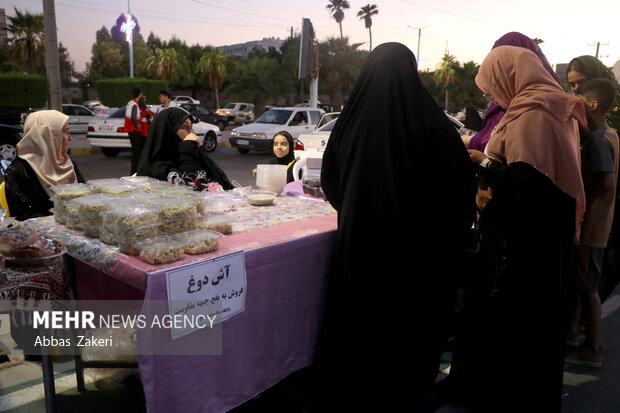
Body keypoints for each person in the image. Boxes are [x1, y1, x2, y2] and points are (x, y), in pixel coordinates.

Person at [317, 42, 477, 411]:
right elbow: (459, 192)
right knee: (409, 345)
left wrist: (359, 210)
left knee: (361, 337)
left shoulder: (349, 124)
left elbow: (330, 182)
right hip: (419, 261)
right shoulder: (433, 123)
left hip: (361, 251)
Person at [464, 45, 586, 412]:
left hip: (530, 242)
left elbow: (527, 184)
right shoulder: (549, 106)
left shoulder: (534, 113)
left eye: (492, 84)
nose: (492, 94)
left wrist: (481, 160)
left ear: (510, 75)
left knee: (523, 326)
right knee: (536, 327)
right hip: (547, 236)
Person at [565, 78, 619, 368]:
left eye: (581, 102)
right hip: (599, 226)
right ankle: (576, 337)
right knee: (585, 284)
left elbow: (606, 183)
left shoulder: (598, 139)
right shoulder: (610, 133)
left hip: (591, 228)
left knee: (588, 288)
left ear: (593, 104)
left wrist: (583, 200)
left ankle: (593, 348)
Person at [4, 110, 85, 221]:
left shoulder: (68, 164)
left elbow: (86, 200)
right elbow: (25, 217)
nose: (70, 138)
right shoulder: (19, 171)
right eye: (66, 131)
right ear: (48, 136)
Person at [136, 107, 233, 190]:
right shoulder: (158, 167)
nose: (190, 133)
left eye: (190, 127)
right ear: (168, 130)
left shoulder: (187, 151)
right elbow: (191, 187)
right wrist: (187, 149)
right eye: (184, 127)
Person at [126, 87, 144, 175]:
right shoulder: (134, 104)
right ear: (140, 94)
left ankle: (134, 170)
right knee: (136, 152)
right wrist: (137, 125)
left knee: (135, 151)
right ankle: (134, 171)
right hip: (134, 130)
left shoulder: (131, 102)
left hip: (131, 130)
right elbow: (133, 117)